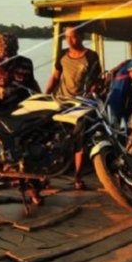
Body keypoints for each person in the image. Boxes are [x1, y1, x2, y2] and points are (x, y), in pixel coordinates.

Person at [45, 25, 102, 189]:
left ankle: (77, 177)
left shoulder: (91, 56)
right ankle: (46, 176)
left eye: (74, 37)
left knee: (79, 141)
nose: (70, 41)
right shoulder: (62, 55)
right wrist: (45, 94)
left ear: (82, 37)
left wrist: (94, 89)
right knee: (53, 138)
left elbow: (96, 80)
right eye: (67, 37)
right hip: (60, 102)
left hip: (80, 105)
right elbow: (55, 77)